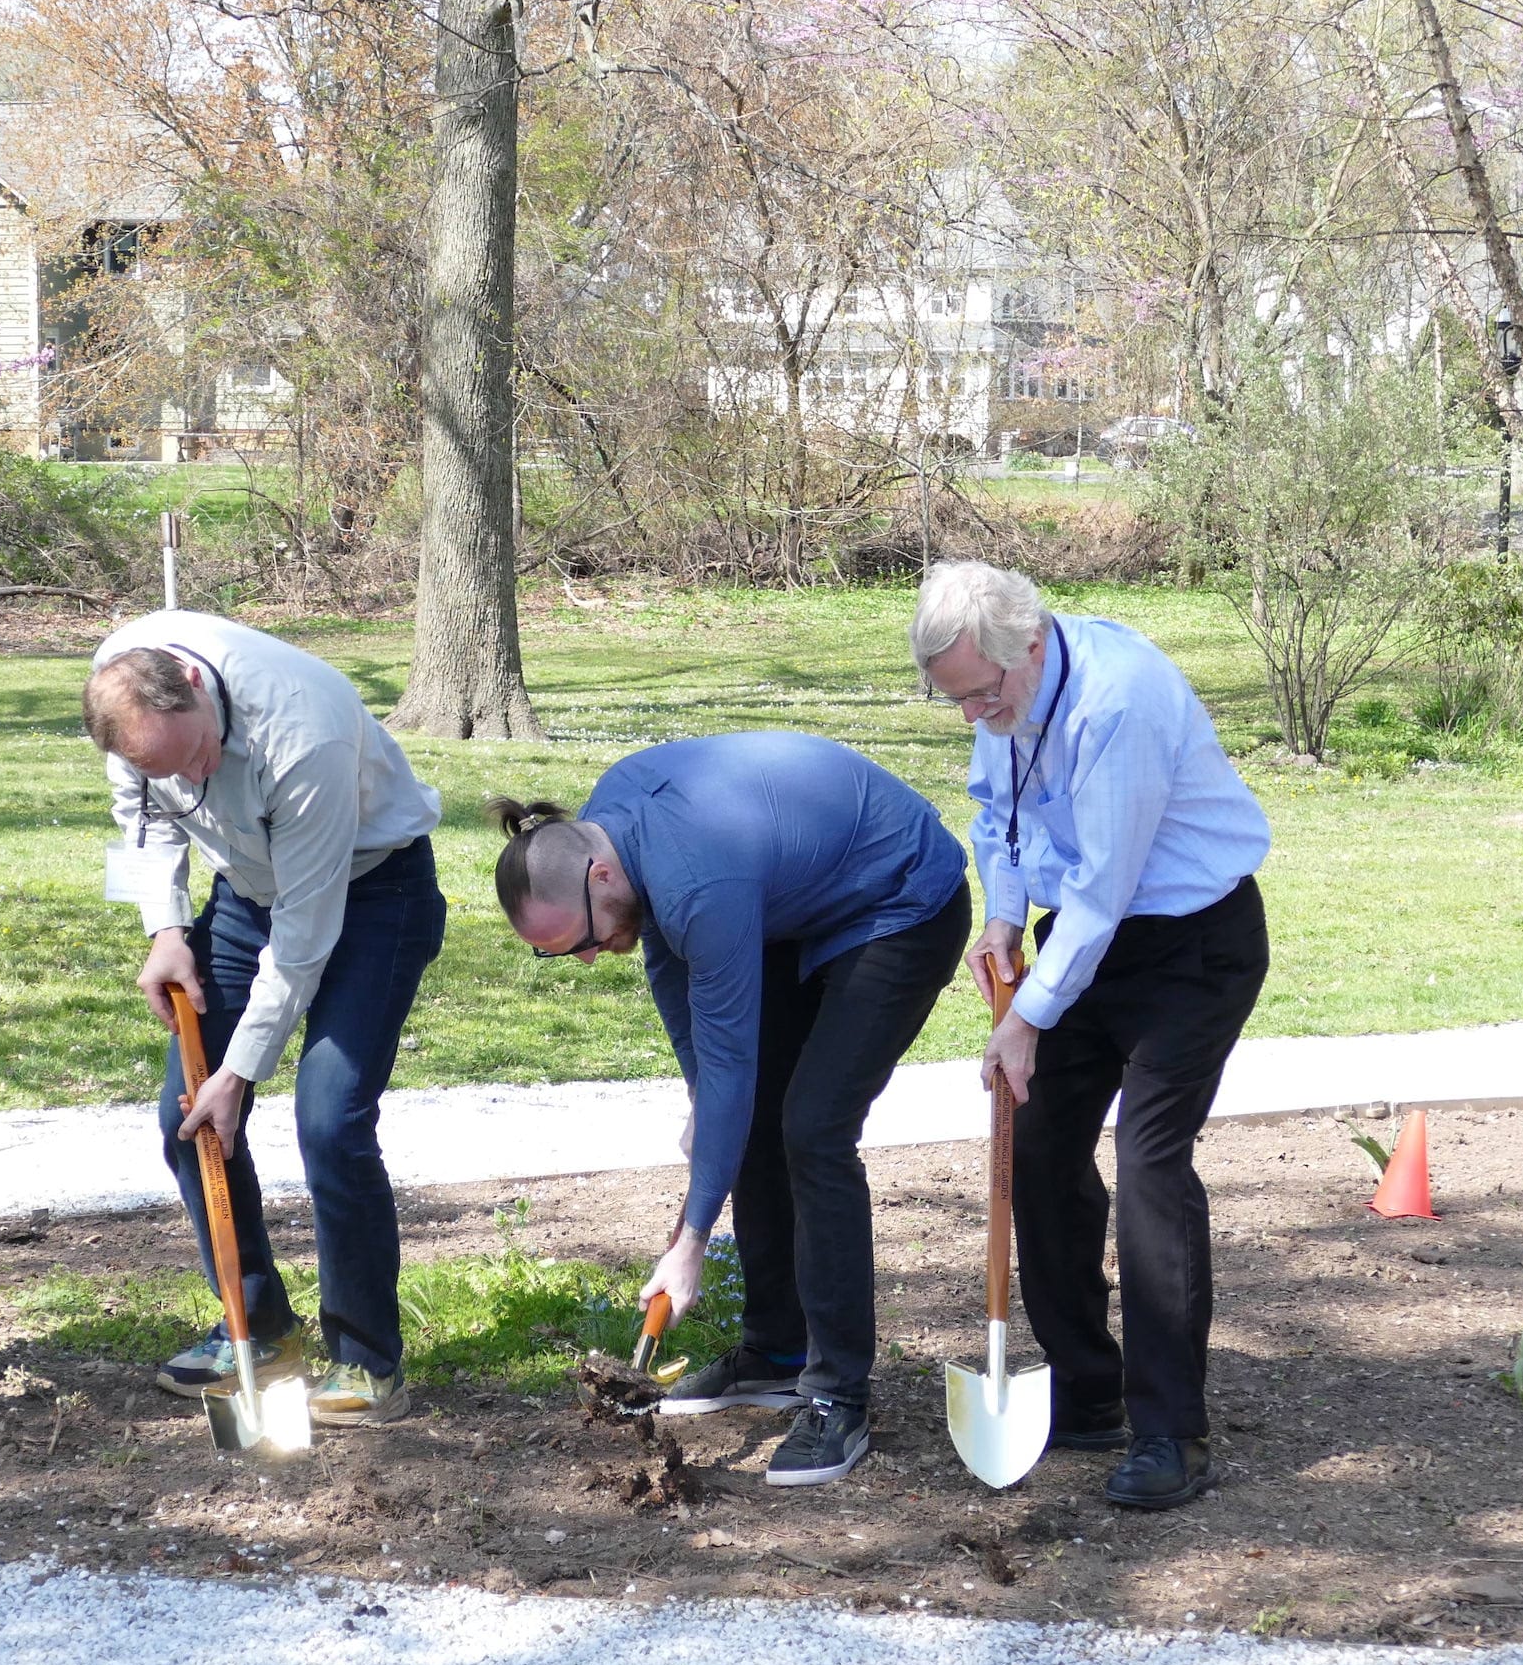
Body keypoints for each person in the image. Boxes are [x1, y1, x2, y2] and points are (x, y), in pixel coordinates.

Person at [490, 732, 969, 1487]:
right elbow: (673, 981)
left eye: (580, 941)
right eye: (562, 955)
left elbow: (732, 1059)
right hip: (796, 905)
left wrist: (690, 1242)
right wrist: (699, 1097)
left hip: (899, 899)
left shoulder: (695, 881)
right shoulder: (617, 840)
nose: (584, 958)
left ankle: (839, 1394)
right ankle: (776, 1349)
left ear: (600, 873)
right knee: (745, 1118)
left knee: (812, 1130)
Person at [913, 560, 1271, 1511]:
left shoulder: (1119, 701)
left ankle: (1172, 1434)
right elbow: (1000, 814)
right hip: (1079, 937)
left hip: (1191, 946)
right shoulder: (1005, 694)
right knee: (1036, 1148)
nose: (973, 717)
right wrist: (1000, 913)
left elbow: (1107, 886)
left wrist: (1028, 1017)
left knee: (1151, 1163)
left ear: (1029, 646)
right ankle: (1086, 1388)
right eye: (955, 701)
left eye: (982, 695)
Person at [85, 611, 446, 1426]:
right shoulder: (128, 694)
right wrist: (167, 931)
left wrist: (240, 1075)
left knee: (330, 1120)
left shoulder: (302, 732)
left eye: (203, 754)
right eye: (179, 771)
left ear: (201, 698)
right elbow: (138, 822)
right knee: (188, 1115)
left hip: (370, 894)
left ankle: (366, 1361)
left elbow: (306, 934)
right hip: (244, 893)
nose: (200, 776)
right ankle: (259, 1328)